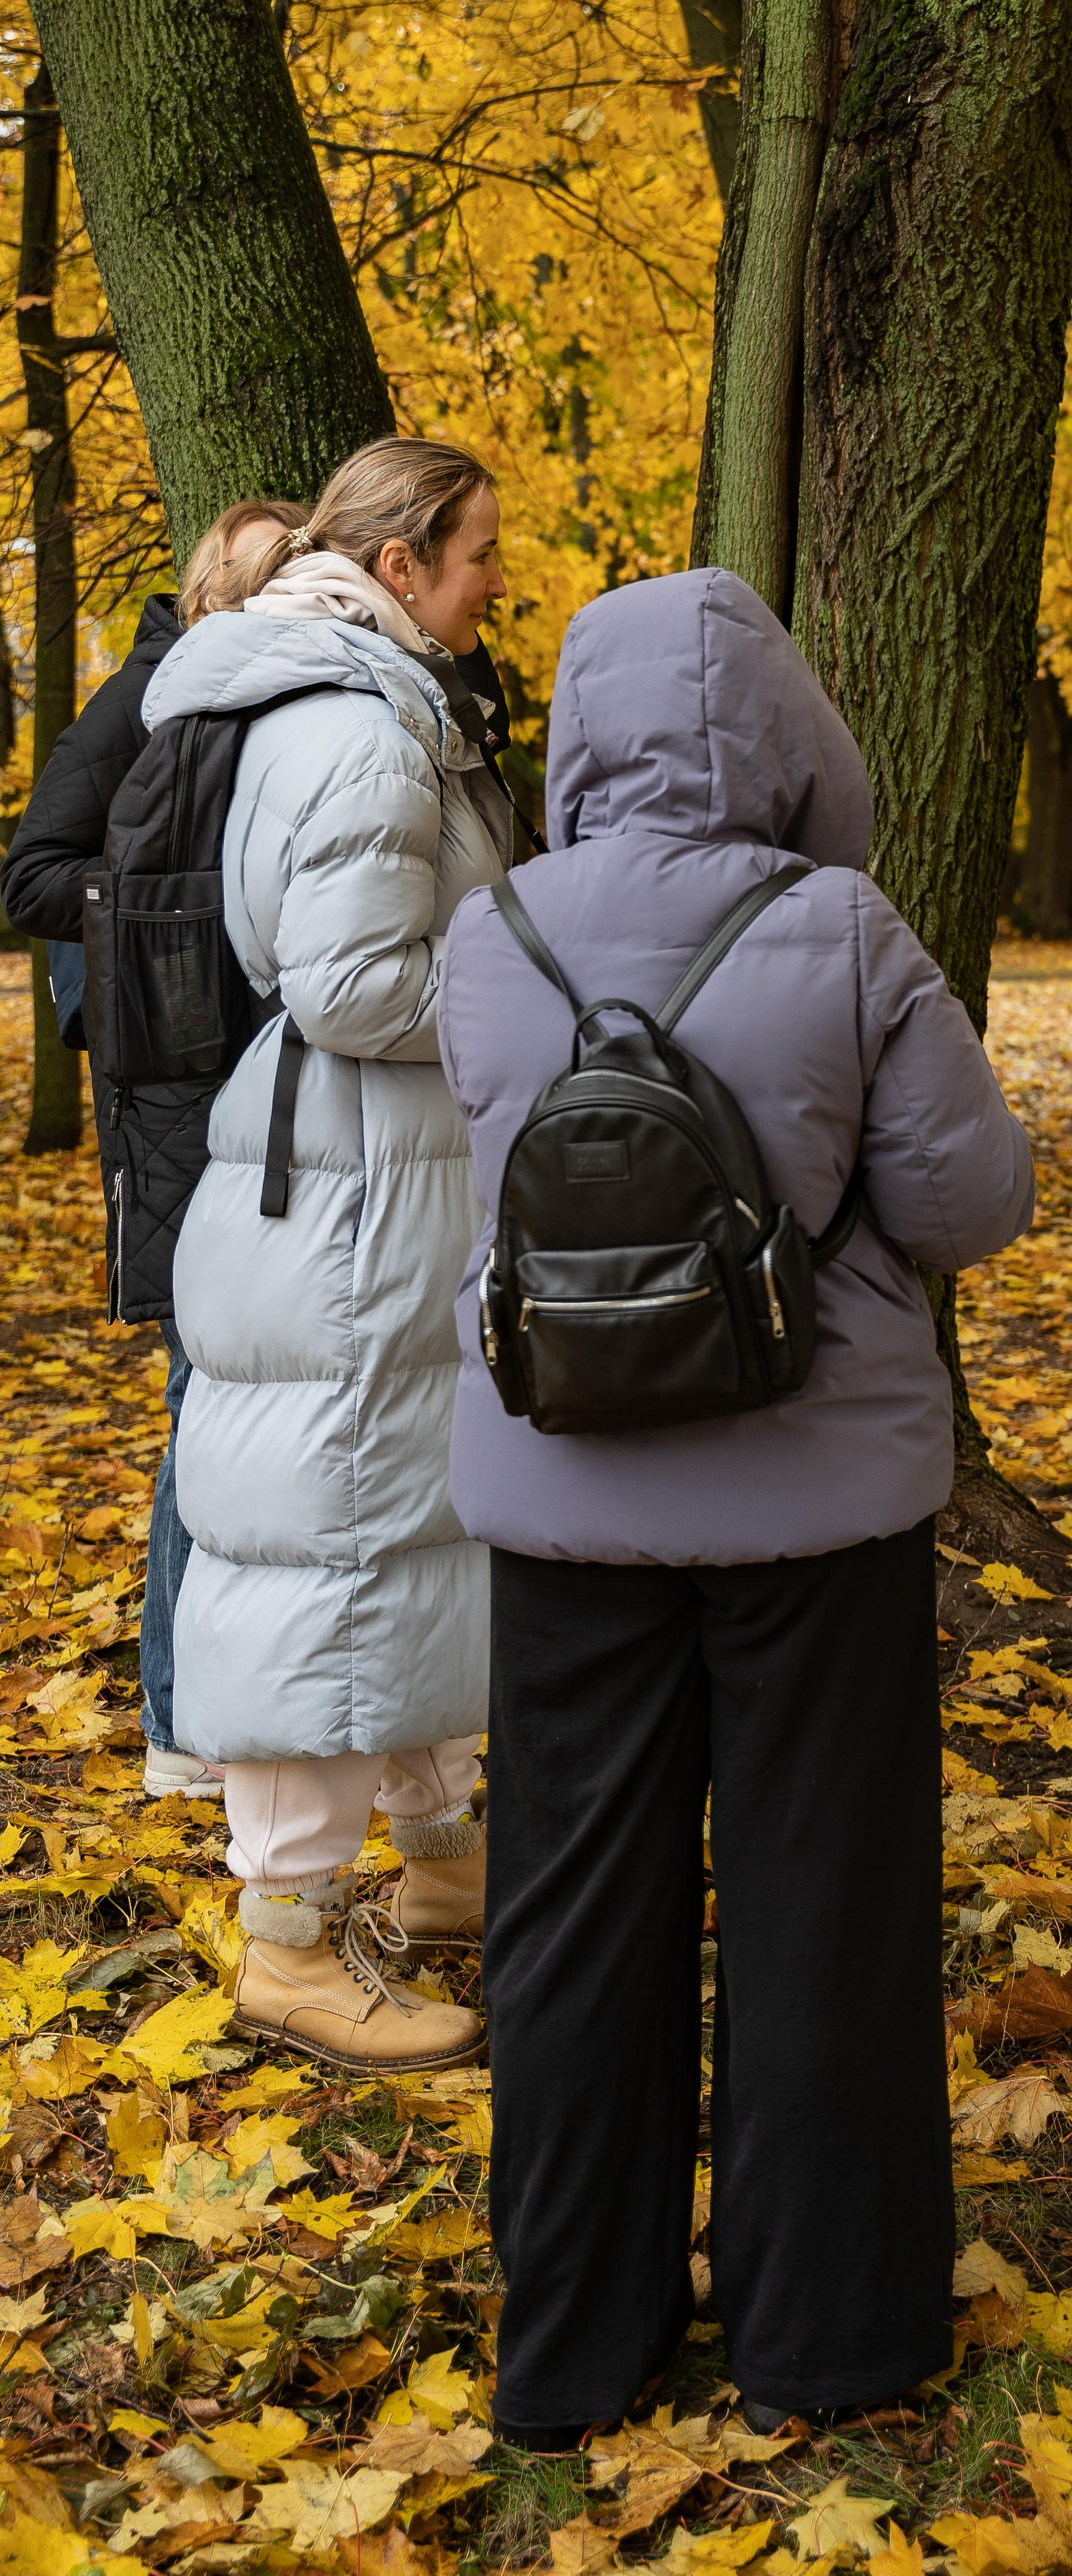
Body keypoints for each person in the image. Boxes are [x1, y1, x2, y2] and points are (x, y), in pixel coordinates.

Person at [437, 567, 1035, 2445]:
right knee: (820, 1910)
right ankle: (826, 2333)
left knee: (569, 1916)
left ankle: (575, 2346)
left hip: (558, 1498)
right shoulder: (841, 925)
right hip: (816, 1509)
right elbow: (971, 1207)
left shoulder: (493, 931)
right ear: (784, 733)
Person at [151, 436, 515, 2072]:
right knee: (338, 1542)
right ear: (395, 565)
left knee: (397, 1530)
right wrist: (534, 1012)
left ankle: (441, 1873)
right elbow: (360, 987)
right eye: (476, 552)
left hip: (357, 1181)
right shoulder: (362, 733)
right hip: (352, 1199)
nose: (494, 580)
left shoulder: (334, 703)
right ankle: (286, 1946)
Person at [0, 496, 305, 1799]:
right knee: (203, 1407)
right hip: (169, 1098)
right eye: (271, 568)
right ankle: (177, 1721)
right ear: (212, 583)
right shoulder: (144, 696)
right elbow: (28, 877)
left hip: (264, 1092)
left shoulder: (274, 707)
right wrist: (175, 905)